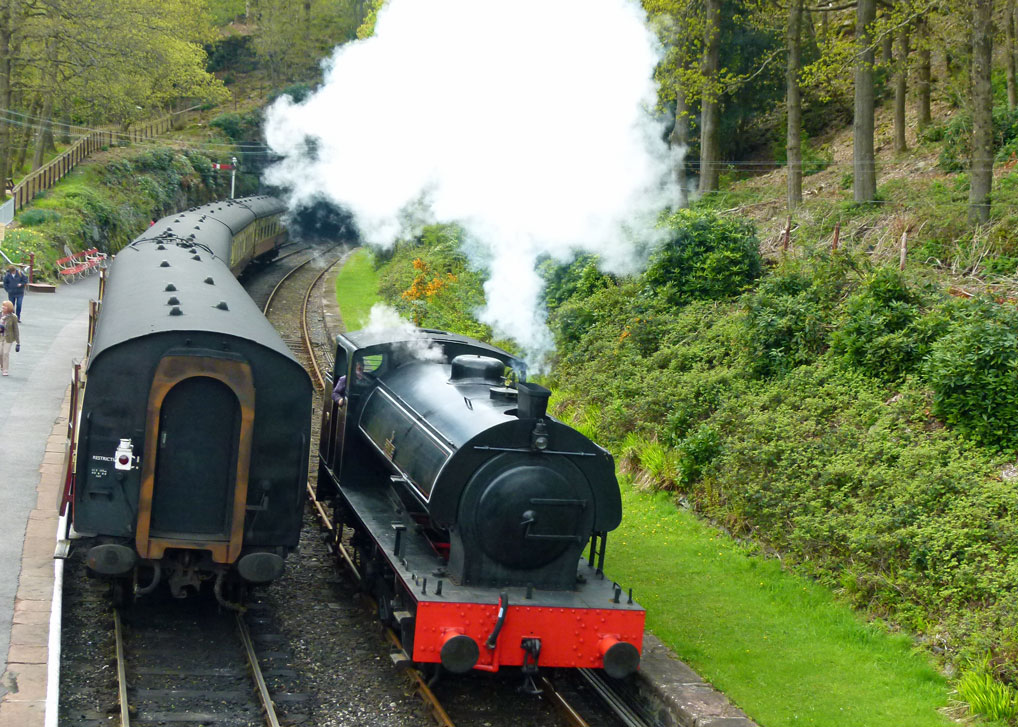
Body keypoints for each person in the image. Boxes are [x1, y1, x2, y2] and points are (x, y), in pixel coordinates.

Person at [0, 300, 20, 376]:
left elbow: (16, 330)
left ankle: (5, 369)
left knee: (5, 353)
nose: (2, 307)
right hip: (0, 337)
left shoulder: (13, 317)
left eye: (4, 306)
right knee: (0, 353)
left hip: (9, 338)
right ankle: (2, 366)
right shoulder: (0, 315)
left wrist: (18, 343)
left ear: (9, 308)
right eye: (2, 305)